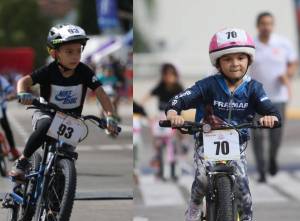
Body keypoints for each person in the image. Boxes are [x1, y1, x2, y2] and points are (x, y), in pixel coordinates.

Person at [165, 28, 281, 221]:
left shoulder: (254, 88)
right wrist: (174, 114)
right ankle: (193, 207)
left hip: (237, 145)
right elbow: (179, 100)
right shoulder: (208, 85)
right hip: (206, 142)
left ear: (249, 60)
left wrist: (270, 117)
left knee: (243, 182)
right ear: (217, 63)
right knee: (201, 177)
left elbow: (271, 109)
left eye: (240, 57)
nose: (235, 63)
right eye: (227, 59)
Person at [9, 24, 118, 181]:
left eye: (78, 51)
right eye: (69, 52)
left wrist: (110, 116)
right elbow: (24, 81)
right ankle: (23, 160)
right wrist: (22, 93)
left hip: (71, 120)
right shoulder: (49, 70)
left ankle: (58, 195)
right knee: (46, 124)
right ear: (55, 53)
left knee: (66, 157)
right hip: (45, 113)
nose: (75, 56)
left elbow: (101, 93)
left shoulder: (85, 71)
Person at [249, 12, 298, 182]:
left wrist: (288, 75)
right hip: (255, 98)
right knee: (256, 135)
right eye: (263, 23)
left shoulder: (283, 43)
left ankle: (272, 159)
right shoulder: (251, 46)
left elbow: (293, 63)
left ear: (273, 25)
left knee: (275, 135)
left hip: (278, 97)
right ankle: (261, 170)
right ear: (258, 25)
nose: (266, 26)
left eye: (269, 23)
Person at [142, 63, 185, 180]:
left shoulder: (178, 88)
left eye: (171, 74)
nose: (169, 77)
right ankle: (158, 158)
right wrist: (141, 108)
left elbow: (186, 100)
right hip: (161, 117)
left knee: (176, 138)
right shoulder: (160, 87)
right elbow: (147, 96)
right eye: (166, 74)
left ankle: (181, 146)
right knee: (156, 138)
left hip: (175, 118)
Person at [0, 75, 20, 160]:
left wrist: (9, 96)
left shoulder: (1, 79)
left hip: (1, 108)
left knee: (7, 129)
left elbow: (11, 92)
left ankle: (13, 150)